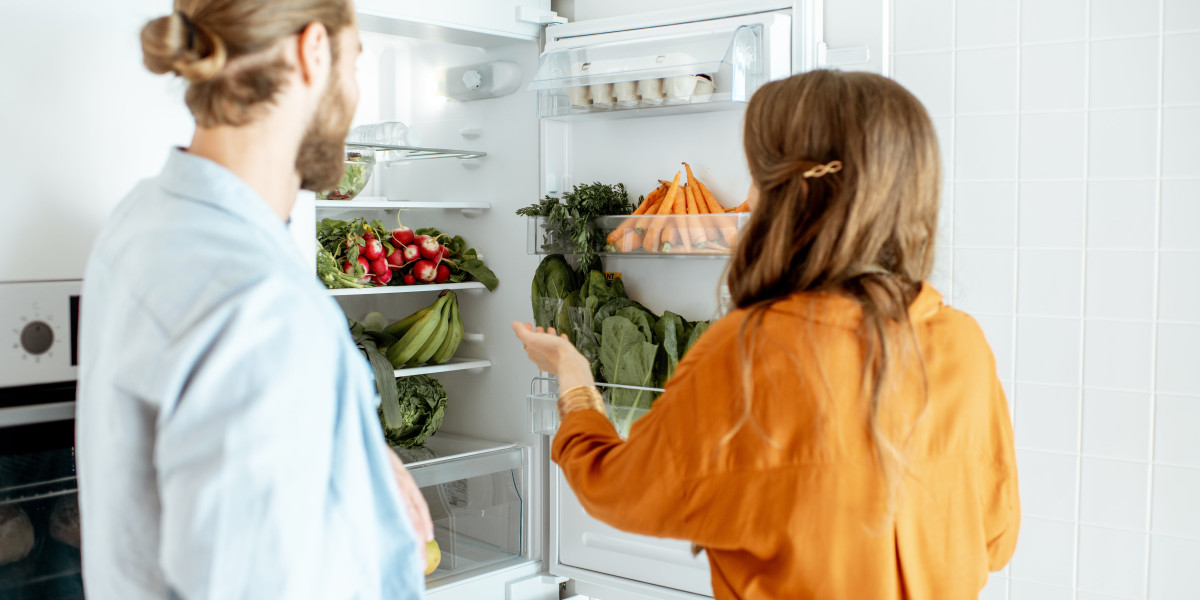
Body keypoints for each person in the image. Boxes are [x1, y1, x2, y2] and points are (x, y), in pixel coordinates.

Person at [513, 70, 1020, 599]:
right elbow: (996, 538)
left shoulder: (747, 350)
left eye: (757, 175)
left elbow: (617, 490)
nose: (749, 196)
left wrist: (574, 379)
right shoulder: (962, 342)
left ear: (791, 192)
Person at [75, 2, 432, 598]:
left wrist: (349, 463)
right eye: (355, 62)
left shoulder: (143, 220)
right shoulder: (261, 304)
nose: (354, 92)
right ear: (312, 49)